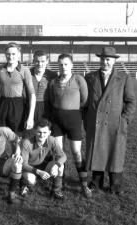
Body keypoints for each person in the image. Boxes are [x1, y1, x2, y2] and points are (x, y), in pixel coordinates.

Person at [83, 46, 136, 195]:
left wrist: (124, 120)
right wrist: (86, 120)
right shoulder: (90, 77)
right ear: (99, 60)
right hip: (95, 122)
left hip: (115, 124)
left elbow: (131, 101)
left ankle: (115, 185)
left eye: (108, 59)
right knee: (97, 151)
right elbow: (85, 102)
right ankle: (95, 182)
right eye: (103, 59)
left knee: (115, 153)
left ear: (113, 61)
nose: (105, 62)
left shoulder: (123, 78)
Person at [45, 53, 91, 198]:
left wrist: (72, 110)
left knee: (77, 152)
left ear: (71, 65)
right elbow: (52, 101)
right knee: (59, 154)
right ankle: (58, 186)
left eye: (66, 64)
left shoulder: (79, 80)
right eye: (60, 64)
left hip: (74, 120)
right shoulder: (53, 82)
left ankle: (84, 185)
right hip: (57, 121)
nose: (63, 67)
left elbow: (84, 100)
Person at [0, 42, 36, 134]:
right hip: (2, 104)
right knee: (0, 134)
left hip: (18, 106)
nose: (10, 56)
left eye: (13, 54)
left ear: (18, 55)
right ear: (5, 54)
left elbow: (32, 95)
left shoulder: (24, 70)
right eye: (8, 54)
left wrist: (30, 117)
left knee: (17, 136)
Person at [16, 119, 67, 201]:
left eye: (44, 132)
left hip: (43, 165)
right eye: (39, 132)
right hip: (29, 168)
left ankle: (56, 190)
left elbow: (63, 156)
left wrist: (56, 166)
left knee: (61, 166)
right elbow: (24, 164)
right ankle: (24, 184)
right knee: (31, 179)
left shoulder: (51, 140)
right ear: (35, 131)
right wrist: (39, 172)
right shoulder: (27, 142)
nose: (42, 135)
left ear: (49, 133)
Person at [30, 50, 57, 125]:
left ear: (47, 61)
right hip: (29, 106)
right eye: (37, 61)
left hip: (46, 107)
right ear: (33, 61)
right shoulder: (27, 73)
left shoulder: (52, 75)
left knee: (45, 131)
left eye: (42, 61)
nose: (40, 64)